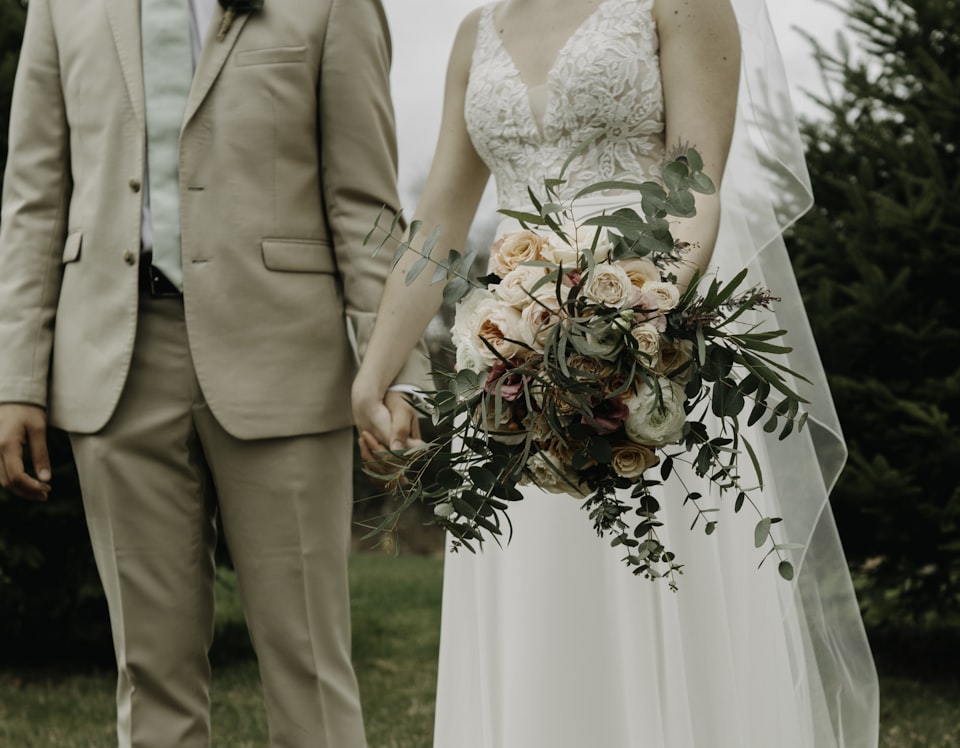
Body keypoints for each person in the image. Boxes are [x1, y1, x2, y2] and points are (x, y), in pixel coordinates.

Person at [353, 0, 879, 746]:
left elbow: (694, 181)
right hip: (512, 368)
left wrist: (628, 330)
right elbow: (438, 215)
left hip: (645, 350)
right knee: (535, 603)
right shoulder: (476, 33)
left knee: (654, 594)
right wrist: (375, 372)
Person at [0, 0, 426, 745]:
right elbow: (33, 197)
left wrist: (395, 370)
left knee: (309, 665)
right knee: (150, 671)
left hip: (287, 360)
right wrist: (16, 378)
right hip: (113, 363)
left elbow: (367, 206)